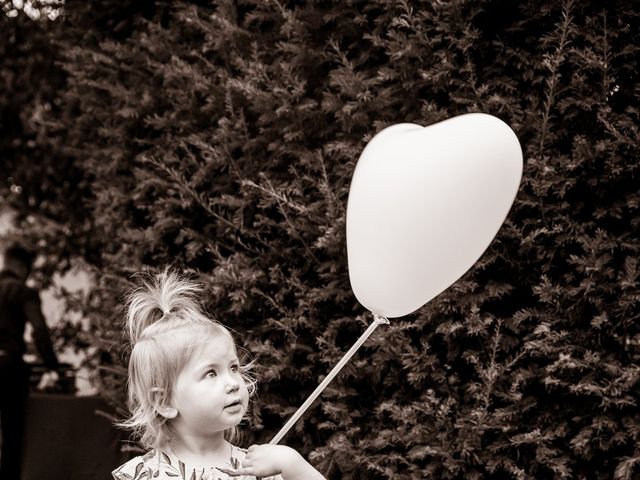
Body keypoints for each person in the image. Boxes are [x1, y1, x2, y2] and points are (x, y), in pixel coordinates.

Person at [112, 270, 326, 480]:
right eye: (211, 373)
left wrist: (293, 465)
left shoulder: (259, 468)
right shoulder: (142, 475)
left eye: (233, 368)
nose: (233, 383)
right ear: (164, 401)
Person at [0, 243, 59, 480]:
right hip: (7, 366)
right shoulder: (23, 291)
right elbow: (40, 331)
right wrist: (52, 366)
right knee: (12, 437)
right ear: (24, 268)